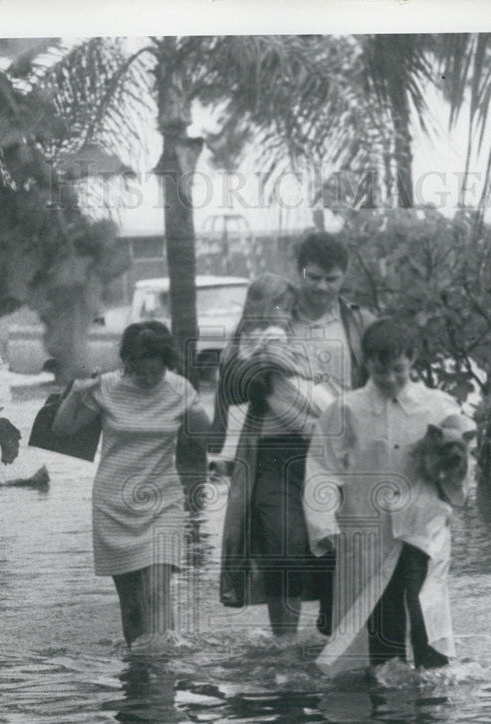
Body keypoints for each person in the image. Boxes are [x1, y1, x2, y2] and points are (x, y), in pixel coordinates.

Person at [210, 233, 374, 636]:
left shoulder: (358, 322)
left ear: (344, 278)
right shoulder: (272, 310)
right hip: (275, 449)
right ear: (299, 271)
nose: (320, 286)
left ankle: (333, 633)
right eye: (313, 276)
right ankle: (282, 650)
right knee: (282, 546)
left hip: (338, 452)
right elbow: (229, 383)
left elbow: (382, 384)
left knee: (336, 548)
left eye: (331, 279)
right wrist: (258, 365)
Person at [303, 316, 475, 676]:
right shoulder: (344, 409)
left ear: (412, 360)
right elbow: (321, 468)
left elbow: (460, 467)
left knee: (425, 606)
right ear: (366, 363)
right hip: (368, 530)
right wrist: (323, 524)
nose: (390, 379)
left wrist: (454, 470)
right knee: (381, 618)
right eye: (381, 372)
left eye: (398, 370)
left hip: (421, 527)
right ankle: (388, 697)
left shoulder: (438, 407)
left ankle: (434, 691)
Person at [53, 321, 211, 646]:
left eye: (157, 373)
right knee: (133, 609)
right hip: (114, 505)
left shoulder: (180, 389)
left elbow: (210, 436)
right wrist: (77, 393)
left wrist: (203, 413)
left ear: (167, 363)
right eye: (142, 373)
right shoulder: (107, 387)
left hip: (162, 502)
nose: (150, 380)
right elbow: (62, 430)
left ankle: (163, 677)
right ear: (129, 362)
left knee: (156, 592)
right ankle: (140, 680)